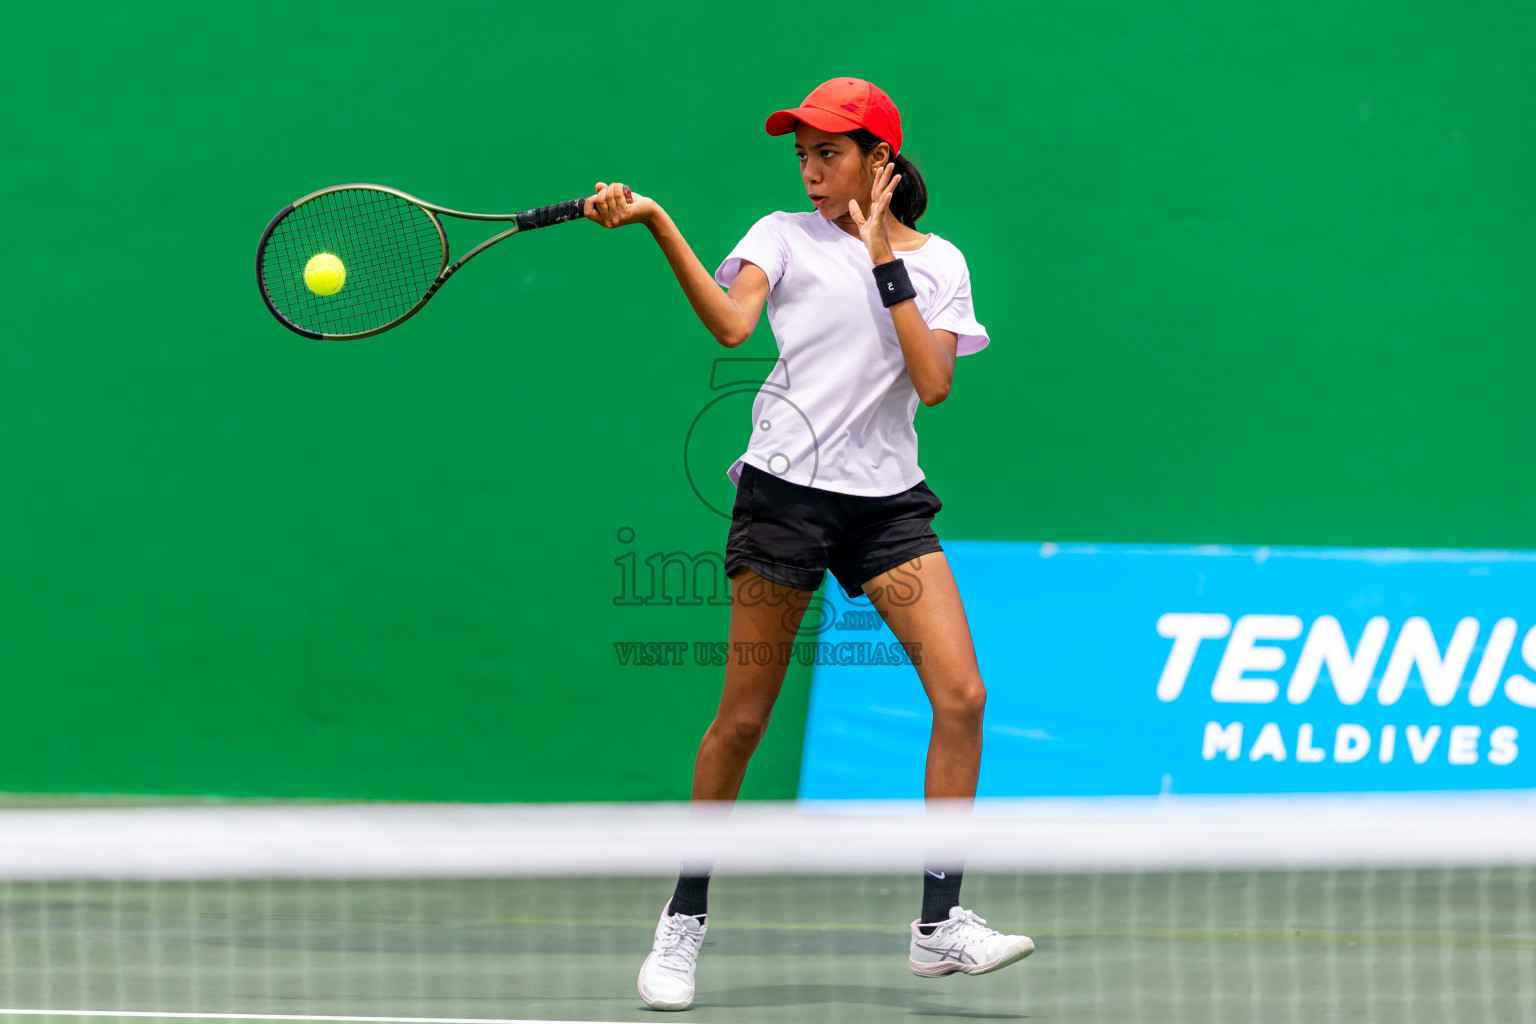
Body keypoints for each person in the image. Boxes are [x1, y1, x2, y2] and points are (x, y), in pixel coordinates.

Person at [584, 76, 1033, 1012]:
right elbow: (731, 321)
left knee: (963, 696)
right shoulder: (779, 236)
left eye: (829, 153)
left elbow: (934, 384)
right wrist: (661, 223)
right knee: (742, 723)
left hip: (886, 508)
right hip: (786, 496)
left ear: (882, 160)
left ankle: (939, 928)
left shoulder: (940, 262)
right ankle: (682, 923)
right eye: (803, 155)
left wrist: (881, 261)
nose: (812, 170)